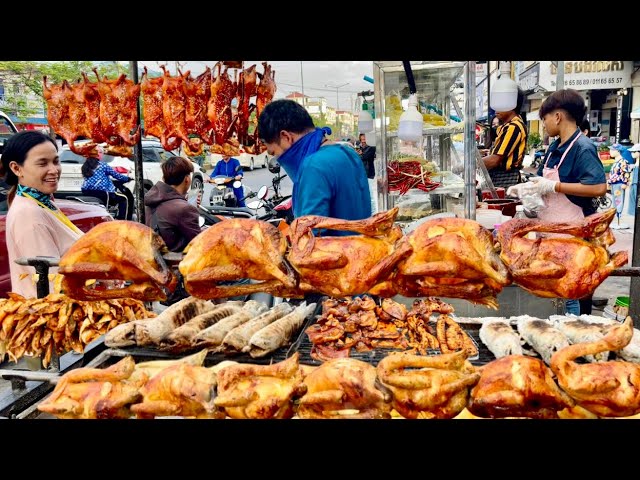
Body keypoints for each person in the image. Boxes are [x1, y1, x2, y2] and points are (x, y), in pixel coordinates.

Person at [507, 88, 607, 316]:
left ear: (557, 116)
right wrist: (528, 192)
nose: (543, 125)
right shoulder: (555, 147)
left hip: (572, 236)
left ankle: (571, 328)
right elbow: (541, 180)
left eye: (544, 119)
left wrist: (554, 186)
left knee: (568, 289)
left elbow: (599, 187)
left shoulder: (583, 147)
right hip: (550, 233)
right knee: (553, 287)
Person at [257, 99, 371, 230]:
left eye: (274, 152)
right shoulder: (349, 153)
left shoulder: (313, 167)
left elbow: (309, 238)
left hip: (333, 250)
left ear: (286, 137)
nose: (277, 158)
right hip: (362, 247)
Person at [0, 130, 83, 298]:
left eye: (55, 161)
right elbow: (52, 287)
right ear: (16, 168)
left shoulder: (41, 202)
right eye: (43, 163)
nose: (54, 170)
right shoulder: (29, 214)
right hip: (52, 318)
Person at [144, 156, 201, 253]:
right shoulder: (184, 209)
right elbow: (200, 242)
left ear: (164, 178)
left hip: (153, 256)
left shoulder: (151, 200)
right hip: (175, 261)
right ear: (187, 179)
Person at [481, 87, 527, 189]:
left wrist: (468, 164)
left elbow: (495, 160)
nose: (496, 108)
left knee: (501, 204)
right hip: (500, 177)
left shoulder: (513, 127)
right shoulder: (508, 126)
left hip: (505, 179)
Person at [81, 156, 133, 220]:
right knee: (124, 198)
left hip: (87, 192)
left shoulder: (84, 166)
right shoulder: (103, 165)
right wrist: (127, 179)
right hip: (102, 193)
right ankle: (122, 220)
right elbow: (117, 175)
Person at [357, 132, 377, 213]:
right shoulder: (361, 148)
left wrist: (360, 154)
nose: (363, 141)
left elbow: (365, 157)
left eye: (364, 139)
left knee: (370, 195)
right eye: (361, 140)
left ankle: (373, 212)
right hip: (363, 173)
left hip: (369, 173)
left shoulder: (371, 148)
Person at [628, 143, 640, 217]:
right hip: (633, 184)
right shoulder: (636, 163)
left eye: (634, 152)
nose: (632, 153)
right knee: (633, 201)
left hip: (637, 185)